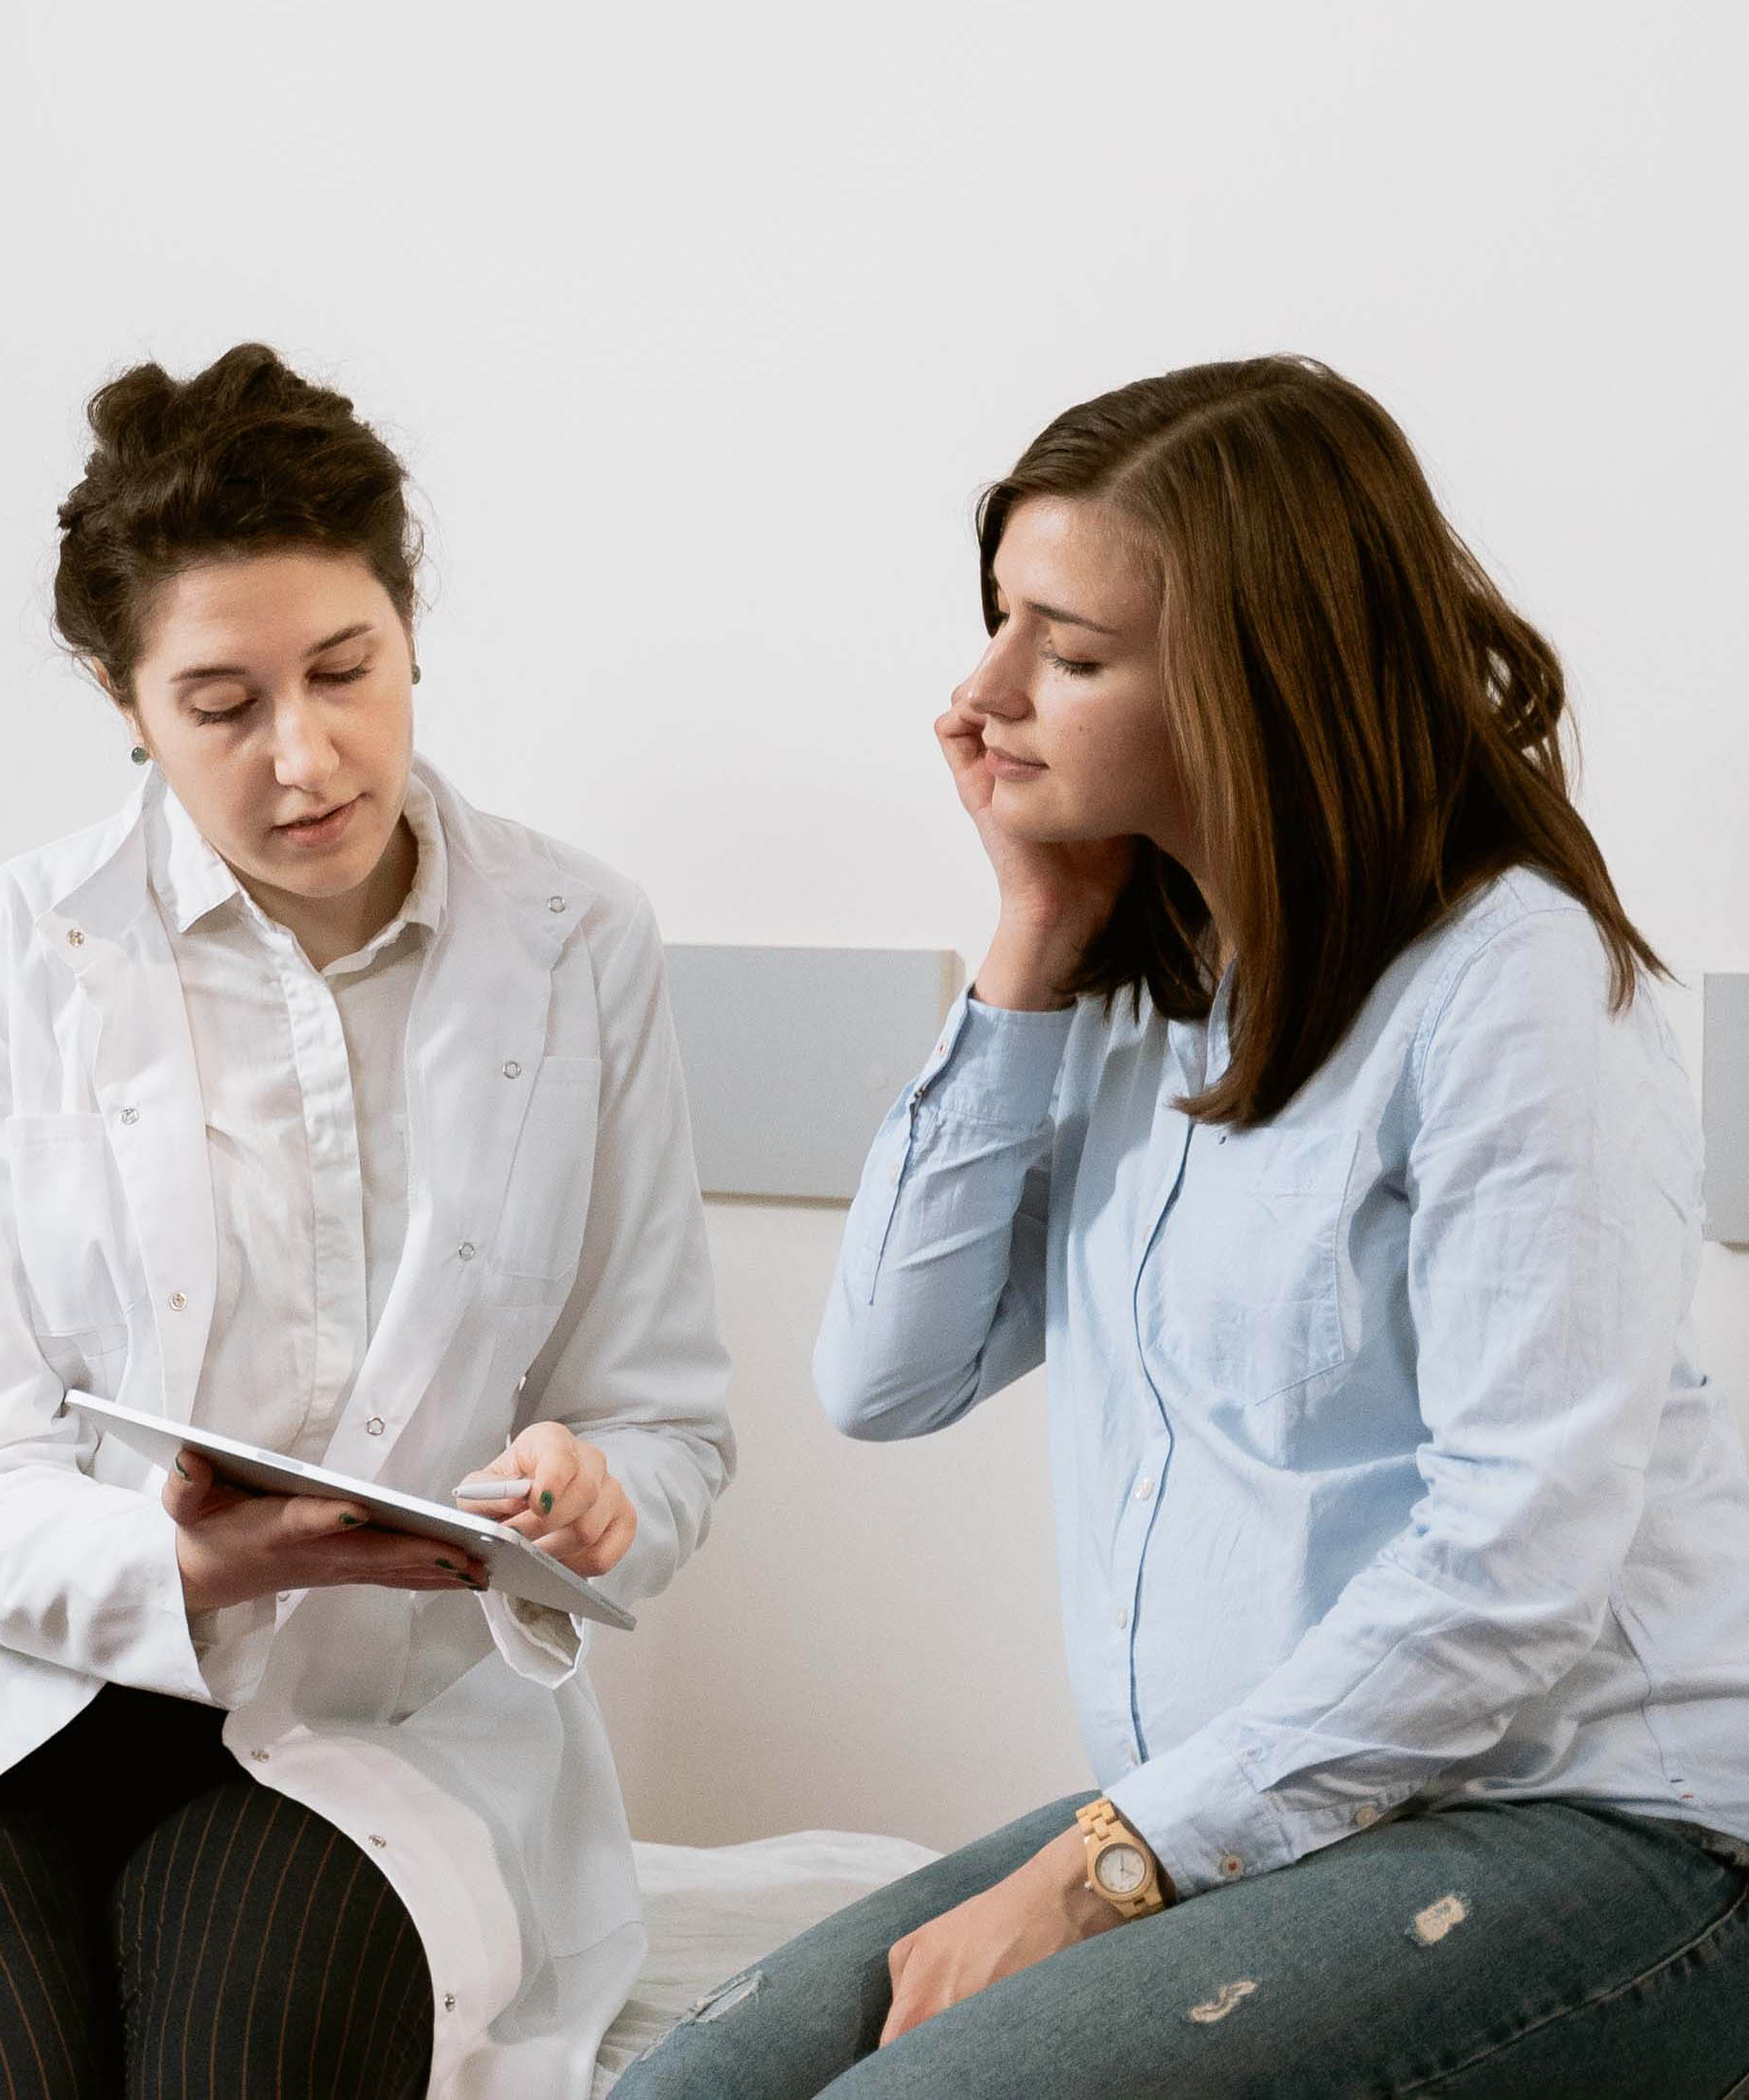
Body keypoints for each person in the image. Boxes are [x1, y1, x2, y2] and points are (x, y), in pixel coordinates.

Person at [0, 344, 736, 2099]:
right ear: (126, 704)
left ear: (409, 628)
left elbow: (666, 1419)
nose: (305, 754)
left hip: (368, 1723)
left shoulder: (581, 947)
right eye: (221, 701)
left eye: (345, 669)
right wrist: (196, 1560)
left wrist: (595, 1492)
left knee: (239, 2055)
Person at [614, 357, 1749, 2099]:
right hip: (1263, 1811)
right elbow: (882, 1376)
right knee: (687, 2090)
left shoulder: (1514, 989)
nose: (981, 694)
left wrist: (1098, 1869)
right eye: (999, 622)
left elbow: (1514, 1571)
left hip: (1591, 1815)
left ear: (1255, 679)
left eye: (1066, 654)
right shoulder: (1145, 979)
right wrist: (1030, 933)